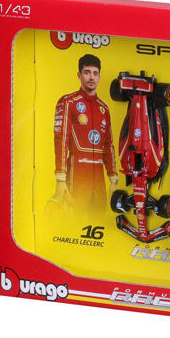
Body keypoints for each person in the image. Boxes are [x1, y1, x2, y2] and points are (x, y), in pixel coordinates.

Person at [52, 54, 117, 216]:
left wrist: (113, 178)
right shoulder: (68, 102)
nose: (91, 77)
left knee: (98, 219)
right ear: (79, 75)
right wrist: (60, 178)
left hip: (99, 181)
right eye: (87, 72)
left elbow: (108, 145)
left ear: (99, 77)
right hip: (78, 175)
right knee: (76, 220)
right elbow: (61, 139)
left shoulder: (104, 109)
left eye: (95, 73)